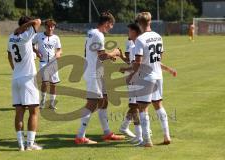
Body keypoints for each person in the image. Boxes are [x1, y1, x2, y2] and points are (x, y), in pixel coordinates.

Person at [119, 23, 177, 146]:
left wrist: (127, 71)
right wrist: (169, 69)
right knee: (157, 105)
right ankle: (165, 135)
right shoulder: (151, 39)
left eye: (129, 31)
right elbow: (156, 61)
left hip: (141, 79)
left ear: (135, 32)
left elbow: (136, 64)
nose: (128, 33)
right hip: (156, 77)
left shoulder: (136, 45)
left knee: (138, 107)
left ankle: (144, 139)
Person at [75, 11, 125, 144]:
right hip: (93, 73)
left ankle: (107, 132)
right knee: (93, 102)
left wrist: (109, 56)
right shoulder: (98, 34)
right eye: (111, 25)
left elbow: (98, 55)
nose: (112, 27)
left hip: (96, 71)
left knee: (104, 100)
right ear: (107, 23)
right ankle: (80, 136)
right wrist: (115, 52)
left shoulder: (92, 32)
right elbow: (101, 55)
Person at [7, 16, 42, 151]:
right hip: (28, 78)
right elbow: (38, 21)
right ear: (26, 26)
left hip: (16, 78)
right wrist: (26, 26)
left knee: (19, 112)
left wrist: (14, 69)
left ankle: (21, 145)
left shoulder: (10, 37)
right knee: (34, 111)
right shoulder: (26, 36)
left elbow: (9, 55)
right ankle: (30, 144)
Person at [33, 19, 62, 110]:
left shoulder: (56, 38)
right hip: (43, 62)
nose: (50, 28)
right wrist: (36, 52)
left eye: (52, 26)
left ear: (54, 27)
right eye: (48, 26)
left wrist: (58, 53)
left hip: (53, 63)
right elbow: (31, 44)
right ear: (45, 26)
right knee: (45, 83)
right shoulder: (38, 36)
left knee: (53, 84)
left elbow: (59, 49)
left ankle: (52, 103)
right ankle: (42, 102)